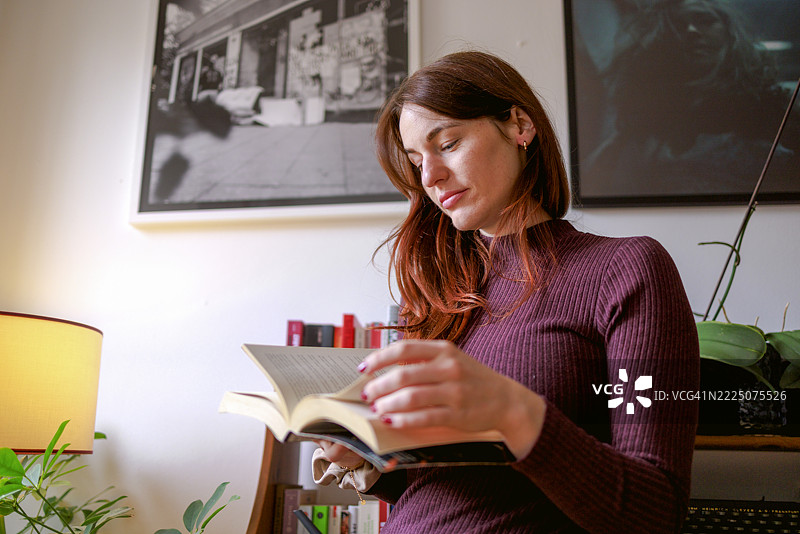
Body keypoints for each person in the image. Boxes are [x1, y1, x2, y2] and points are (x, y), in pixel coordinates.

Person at [312, 50, 700, 533]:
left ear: (520, 125)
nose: (429, 177)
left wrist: (513, 413)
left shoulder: (628, 270)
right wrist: (369, 457)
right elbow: (449, 494)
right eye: (416, 161)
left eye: (448, 143)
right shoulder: (442, 294)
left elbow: (656, 512)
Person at [584, 0, 799, 198]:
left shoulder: (775, 108)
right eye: (679, 25)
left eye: (705, 21)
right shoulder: (642, 127)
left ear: (730, 33)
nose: (691, 31)